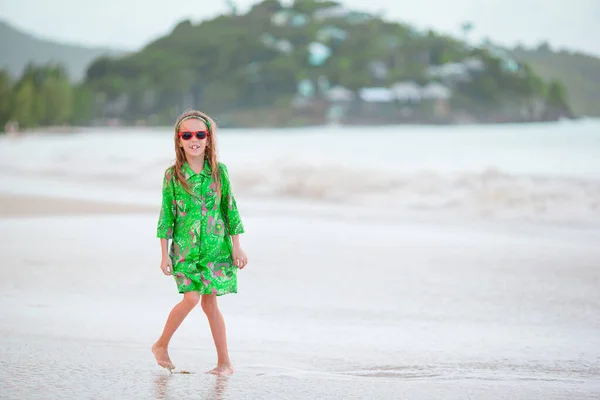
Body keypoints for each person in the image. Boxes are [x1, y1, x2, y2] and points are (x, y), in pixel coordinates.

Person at [152, 109, 248, 375]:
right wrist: (163, 254)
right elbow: (166, 216)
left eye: (200, 134)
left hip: (216, 250)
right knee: (192, 298)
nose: (194, 139)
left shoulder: (220, 172)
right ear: (179, 140)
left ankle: (224, 363)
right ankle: (161, 345)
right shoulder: (173, 175)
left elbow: (230, 210)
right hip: (184, 252)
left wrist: (237, 245)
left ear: (208, 139)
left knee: (210, 304)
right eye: (187, 134)